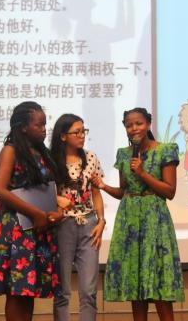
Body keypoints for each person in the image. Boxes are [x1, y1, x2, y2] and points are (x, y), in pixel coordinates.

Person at [92, 107, 184, 321]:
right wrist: (104, 186)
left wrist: (142, 173)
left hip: (155, 220)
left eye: (139, 123)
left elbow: (169, 191)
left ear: (148, 124)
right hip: (130, 221)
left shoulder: (165, 150)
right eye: (129, 125)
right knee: (136, 282)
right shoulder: (124, 154)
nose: (134, 128)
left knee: (159, 280)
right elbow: (124, 191)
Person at [0, 101, 64, 321]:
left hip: (38, 228)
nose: (44, 129)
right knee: (17, 291)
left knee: (28, 290)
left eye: (45, 124)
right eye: (39, 125)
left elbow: (49, 189)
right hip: (16, 228)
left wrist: (56, 212)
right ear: (24, 127)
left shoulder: (42, 153)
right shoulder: (11, 151)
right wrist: (35, 213)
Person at [50, 114, 106, 321]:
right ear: (63, 136)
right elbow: (43, 192)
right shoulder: (51, 160)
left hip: (89, 224)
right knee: (62, 291)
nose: (82, 135)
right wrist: (58, 200)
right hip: (63, 225)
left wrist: (101, 221)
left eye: (84, 131)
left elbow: (96, 193)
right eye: (77, 132)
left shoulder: (91, 158)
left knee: (89, 291)